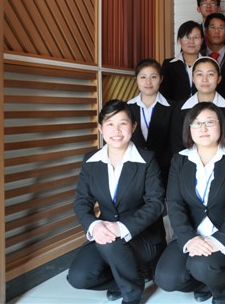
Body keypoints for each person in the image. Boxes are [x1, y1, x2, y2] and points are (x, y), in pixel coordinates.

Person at [68, 100, 165, 304]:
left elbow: (156, 203)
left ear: (133, 126)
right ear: (100, 128)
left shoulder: (147, 160)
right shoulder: (91, 161)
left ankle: (131, 295)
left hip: (142, 236)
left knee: (111, 243)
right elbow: (81, 202)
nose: (116, 130)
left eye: (123, 123)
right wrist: (94, 226)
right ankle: (129, 279)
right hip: (105, 233)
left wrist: (122, 228)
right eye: (110, 124)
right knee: (78, 277)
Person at [154, 103, 225, 304]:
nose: (203, 128)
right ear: (189, 129)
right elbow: (175, 203)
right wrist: (189, 239)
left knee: (201, 265)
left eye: (209, 122)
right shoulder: (179, 160)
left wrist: (219, 239)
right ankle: (204, 283)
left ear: (221, 125)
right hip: (192, 233)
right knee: (166, 279)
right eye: (196, 123)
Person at [170, 57, 225, 153]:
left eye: (210, 74)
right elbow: (176, 143)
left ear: (219, 79)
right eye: (199, 74)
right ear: (193, 78)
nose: (205, 79)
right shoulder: (180, 107)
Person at [127, 59, 174, 188]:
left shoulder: (172, 108)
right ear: (136, 79)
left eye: (153, 77)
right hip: (133, 171)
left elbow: (174, 143)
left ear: (161, 79)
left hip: (164, 172)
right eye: (143, 77)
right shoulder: (127, 108)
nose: (148, 82)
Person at [160, 21, 204, 102]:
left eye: (196, 37)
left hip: (204, 109)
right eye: (187, 37)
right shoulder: (168, 65)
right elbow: (164, 95)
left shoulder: (209, 64)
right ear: (180, 40)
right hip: (175, 109)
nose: (191, 41)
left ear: (201, 40)